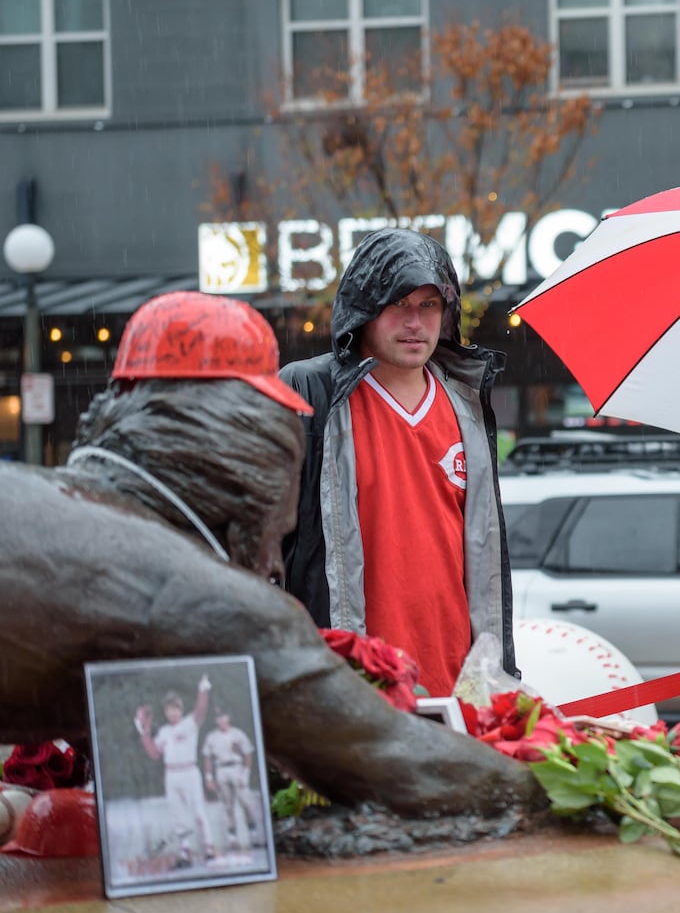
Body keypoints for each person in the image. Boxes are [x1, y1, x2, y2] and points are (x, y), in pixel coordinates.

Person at [0, 291, 545, 821]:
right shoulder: (210, 603)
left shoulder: (38, 503)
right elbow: (401, 765)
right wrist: (556, 784)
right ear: (251, 446)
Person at [280, 228, 517, 696]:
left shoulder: (466, 408)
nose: (416, 322)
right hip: (351, 689)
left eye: (429, 305)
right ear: (364, 309)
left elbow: (485, 563)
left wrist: (495, 680)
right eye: (398, 304)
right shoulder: (311, 395)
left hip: (455, 687)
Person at [134, 676, 215, 867]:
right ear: (165, 711)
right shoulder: (163, 732)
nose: (172, 713)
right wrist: (144, 732)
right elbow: (154, 753)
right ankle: (185, 853)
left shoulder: (190, 723)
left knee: (198, 812)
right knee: (178, 814)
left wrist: (203, 690)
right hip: (171, 775)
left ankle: (209, 848)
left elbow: (201, 710)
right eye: (168, 710)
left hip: (189, 772)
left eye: (175, 709)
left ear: (181, 709)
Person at [201, 707, 259, 852]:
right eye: (218, 718)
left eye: (223, 716)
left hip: (237, 768)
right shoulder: (212, 736)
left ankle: (253, 835)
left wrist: (246, 773)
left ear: (228, 717)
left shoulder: (238, 734)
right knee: (227, 805)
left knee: (246, 802)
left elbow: (248, 753)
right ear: (215, 720)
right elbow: (207, 757)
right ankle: (232, 838)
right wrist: (209, 778)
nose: (221, 720)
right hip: (221, 769)